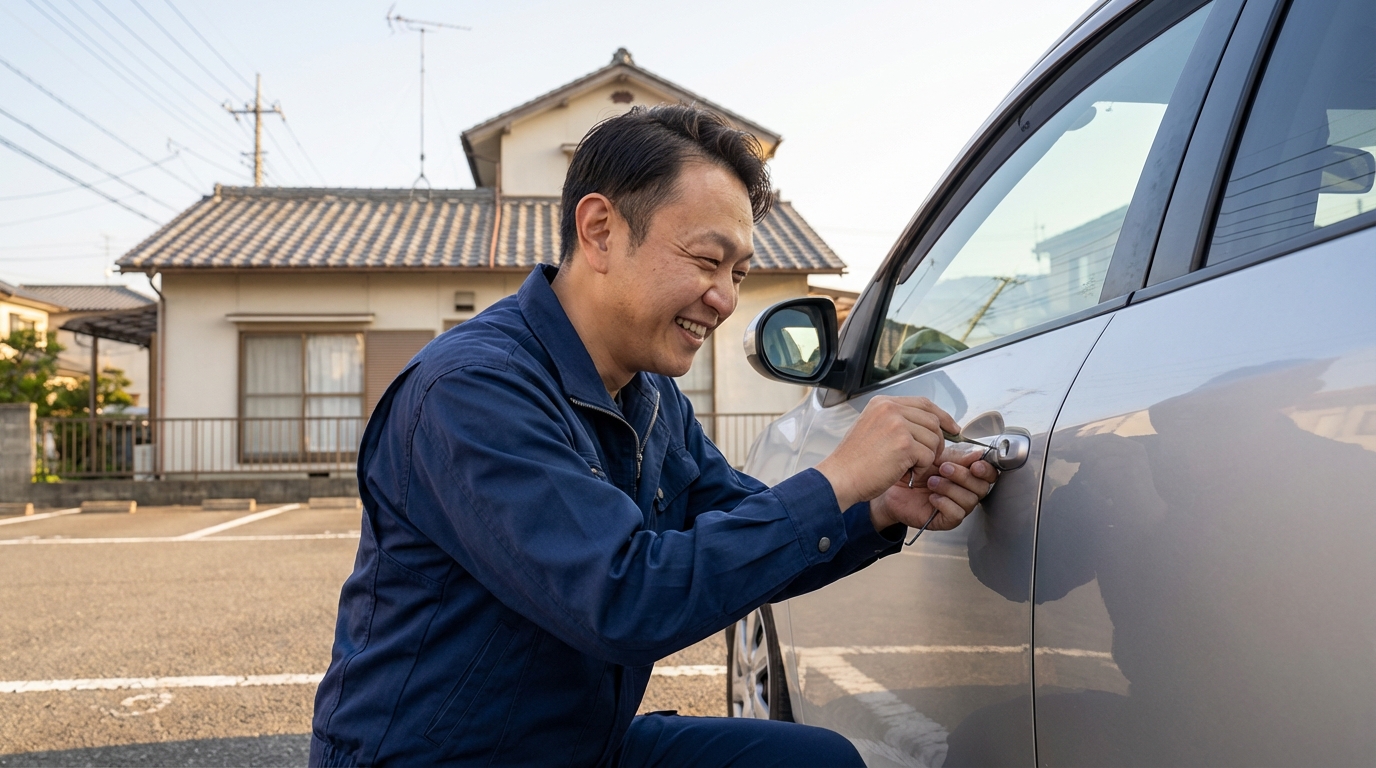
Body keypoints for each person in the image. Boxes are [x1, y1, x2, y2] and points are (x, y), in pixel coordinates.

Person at [310, 104, 998, 767]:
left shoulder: (651, 396)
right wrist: (841, 473)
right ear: (601, 230)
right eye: (706, 259)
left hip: (580, 746)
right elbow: (625, 598)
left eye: (739, 273)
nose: (725, 298)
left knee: (813, 759)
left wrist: (877, 510)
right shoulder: (472, 390)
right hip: (439, 757)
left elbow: (737, 526)